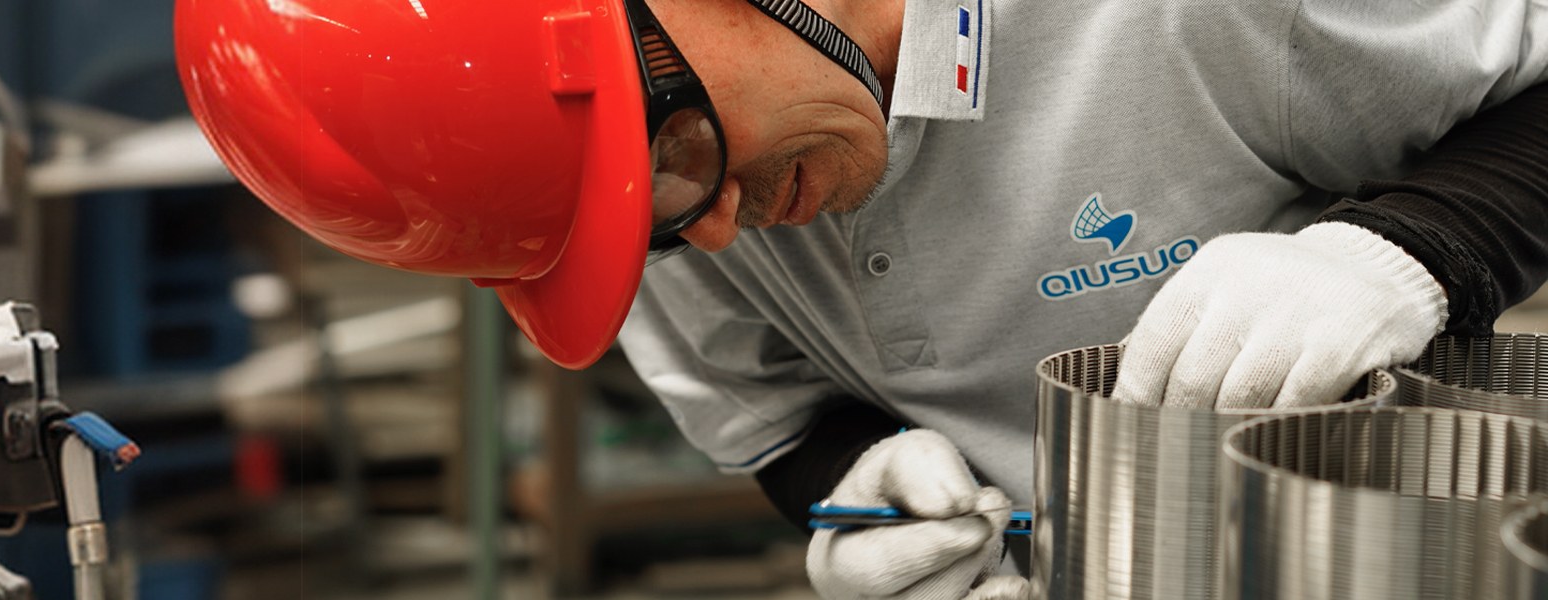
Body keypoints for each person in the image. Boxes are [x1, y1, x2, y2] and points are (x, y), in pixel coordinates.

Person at [176, 0, 1548, 597]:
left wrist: (1408, 248)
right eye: (644, 233)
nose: (710, 227)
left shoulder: (1189, 15)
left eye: (682, 159)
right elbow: (777, 415)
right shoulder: (634, 200)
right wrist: (856, 482)